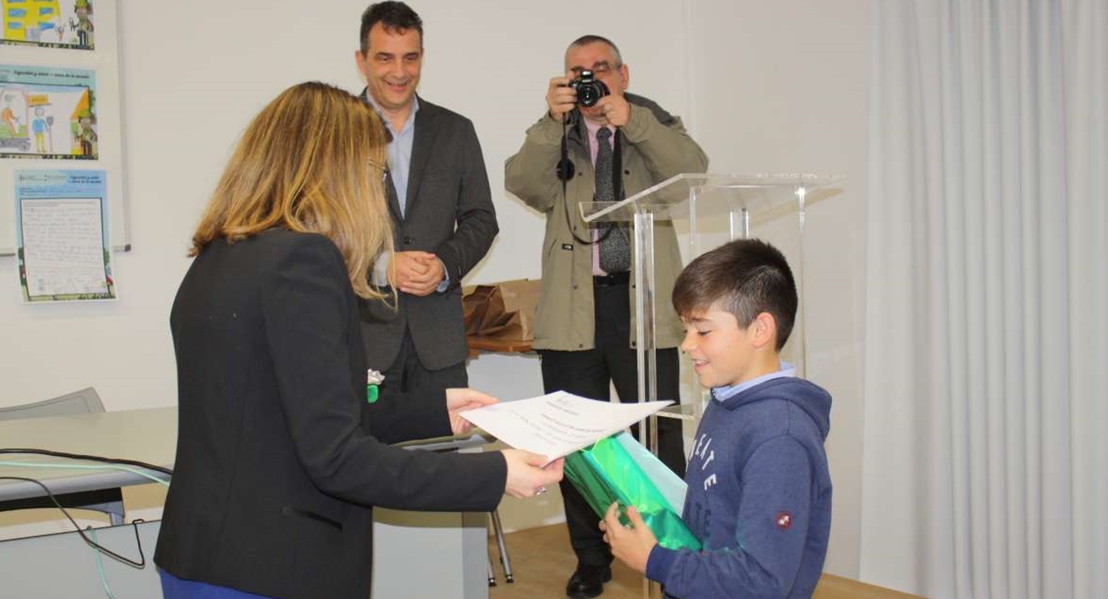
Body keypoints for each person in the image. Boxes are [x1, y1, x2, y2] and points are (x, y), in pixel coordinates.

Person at [153, 81, 563, 599]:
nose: (376, 193)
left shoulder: (219, 257)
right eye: (375, 173)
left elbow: (295, 418)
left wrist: (432, 411)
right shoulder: (303, 262)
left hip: (205, 553)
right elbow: (337, 458)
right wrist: (493, 472)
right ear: (336, 172)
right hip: (273, 565)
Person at [504, 34, 709, 598]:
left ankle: (674, 557)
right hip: (574, 309)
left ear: (622, 72)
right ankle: (591, 560)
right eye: (577, 72)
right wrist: (551, 121)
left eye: (600, 69)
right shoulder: (555, 135)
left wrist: (633, 120)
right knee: (576, 446)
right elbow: (522, 182)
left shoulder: (653, 124)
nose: (590, 79)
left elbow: (693, 174)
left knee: (659, 439)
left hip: (643, 307)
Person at [601, 238, 833, 599]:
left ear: (760, 330)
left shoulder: (780, 438)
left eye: (703, 330)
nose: (686, 344)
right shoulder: (726, 402)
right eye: (685, 330)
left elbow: (763, 580)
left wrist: (656, 561)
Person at [354, 1, 497, 398]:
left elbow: (482, 219)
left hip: (439, 344)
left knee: (445, 455)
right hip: (360, 341)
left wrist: (444, 267)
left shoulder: (456, 130)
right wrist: (382, 267)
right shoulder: (334, 133)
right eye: (385, 58)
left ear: (422, 58)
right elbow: (316, 231)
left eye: (410, 58)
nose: (399, 72)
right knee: (365, 459)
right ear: (361, 61)